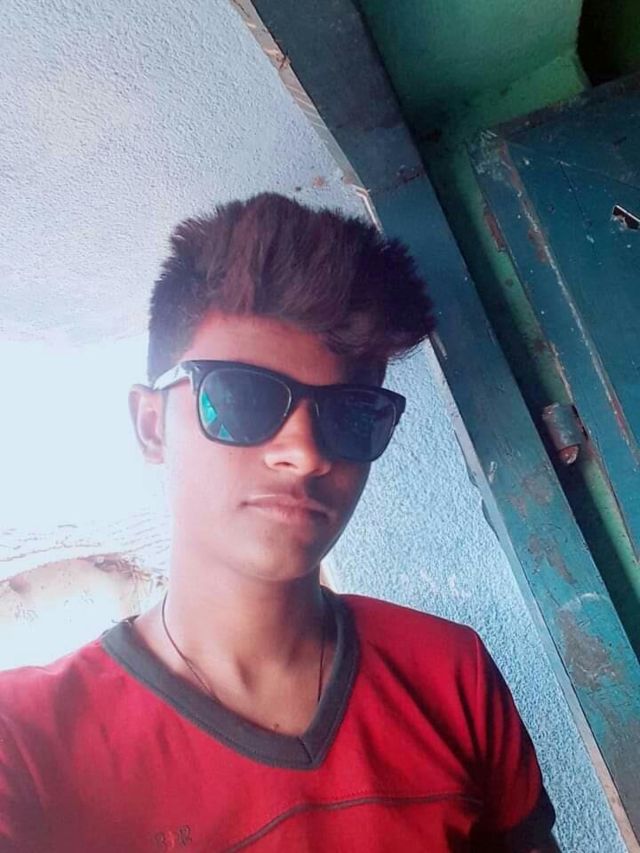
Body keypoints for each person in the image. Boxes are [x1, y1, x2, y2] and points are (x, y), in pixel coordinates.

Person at [0, 193, 557, 851]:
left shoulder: (448, 672)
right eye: (241, 397)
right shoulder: (28, 743)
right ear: (152, 425)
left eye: (352, 413)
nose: (306, 453)